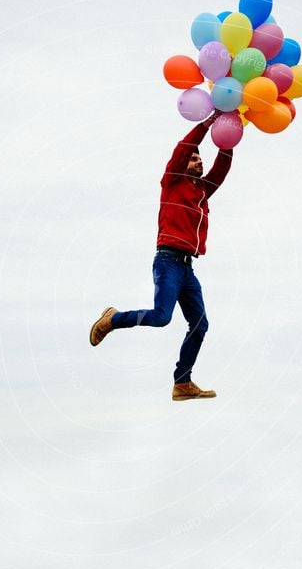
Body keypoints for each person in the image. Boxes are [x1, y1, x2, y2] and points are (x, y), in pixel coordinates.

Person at [89, 110, 233, 400]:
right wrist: (209, 122)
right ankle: (113, 319)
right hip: (168, 261)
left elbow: (222, 167)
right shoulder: (172, 181)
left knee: (200, 324)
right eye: (194, 158)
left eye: (200, 159)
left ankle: (182, 382)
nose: (199, 161)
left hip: (187, 268)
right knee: (161, 317)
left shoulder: (202, 191)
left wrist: (230, 132)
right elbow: (182, 148)